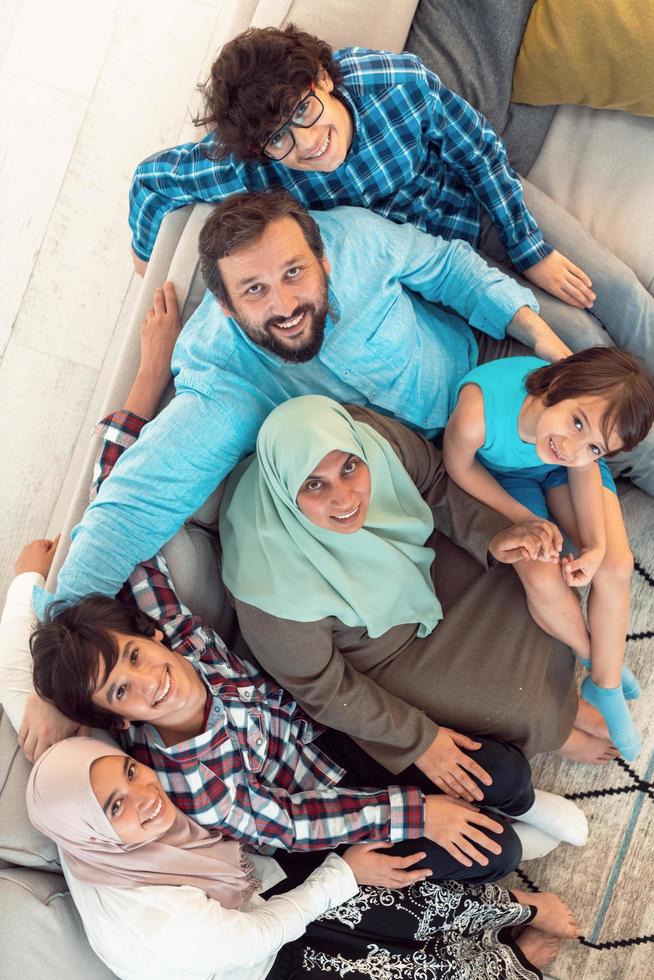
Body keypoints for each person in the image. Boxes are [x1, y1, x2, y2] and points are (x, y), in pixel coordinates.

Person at [13, 312, 587, 878]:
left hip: (330, 735)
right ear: (116, 718)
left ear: (148, 636)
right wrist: (419, 809)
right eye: (121, 691)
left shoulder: (174, 631)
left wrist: (148, 374)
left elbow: (122, 505)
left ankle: (520, 801)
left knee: (500, 772)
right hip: (331, 801)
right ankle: (511, 820)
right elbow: (296, 821)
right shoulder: (194, 783)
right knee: (495, 846)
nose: (150, 680)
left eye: (135, 657)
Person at [36, 187, 583, 622]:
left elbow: (449, 270)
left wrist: (546, 345)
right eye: (254, 291)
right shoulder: (224, 380)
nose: (285, 305)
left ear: (322, 257)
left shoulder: (356, 241)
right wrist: (52, 643)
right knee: (550, 565)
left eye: (294, 272)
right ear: (225, 307)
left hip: (487, 372)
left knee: (625, 419)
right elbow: (135, 504)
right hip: (433, 474)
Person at [128, 25, 654, 379]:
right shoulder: (252, 164)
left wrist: (530, 248)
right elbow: (153, 179)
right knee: (580, 339)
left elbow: (478, 152)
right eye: (279, 139)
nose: (306, 142)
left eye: (306, 111)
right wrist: (145, 251)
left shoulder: (393, 82)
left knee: (619, 292)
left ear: (324, 80)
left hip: (486, 203)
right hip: (434, 268)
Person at [218, 393, 615, 773]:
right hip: (385, 648)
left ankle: (565, 703)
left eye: (349, 469)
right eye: (315, 485)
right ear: (287, 492)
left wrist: (494, 538)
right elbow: (324, 689)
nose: (344, 499)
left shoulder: (368, 435)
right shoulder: (269, 588)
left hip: (425, 564)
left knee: (541, 579)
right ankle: (554, 729)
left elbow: (435, 484)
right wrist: (416, 738)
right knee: (512, 703)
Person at [24, 736, 581, 980]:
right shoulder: (158, 924)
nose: (144, 794)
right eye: (117, 805)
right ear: (92, 832)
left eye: (127, 771)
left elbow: (25, 694)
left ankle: (519, 908)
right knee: (409, 967)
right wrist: (342, 874)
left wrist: (27, 583)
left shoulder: (81, 819)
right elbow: (263, 934)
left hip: (258, 891)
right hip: (255, 962)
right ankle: (517, 964)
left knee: (405, 899)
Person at [444, 348, 654, 761]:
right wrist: (524, 518)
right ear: (555, 385)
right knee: (541, 576)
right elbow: (459, 468)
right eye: (577, 423)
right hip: (503, 479)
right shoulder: (477, 414)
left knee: (615, 563)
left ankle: (605, 684)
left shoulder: (577, 453)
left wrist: (594, 547)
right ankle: (596, 658)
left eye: (596, 446)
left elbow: (578, 466)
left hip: (561, 475)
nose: (575, 444)